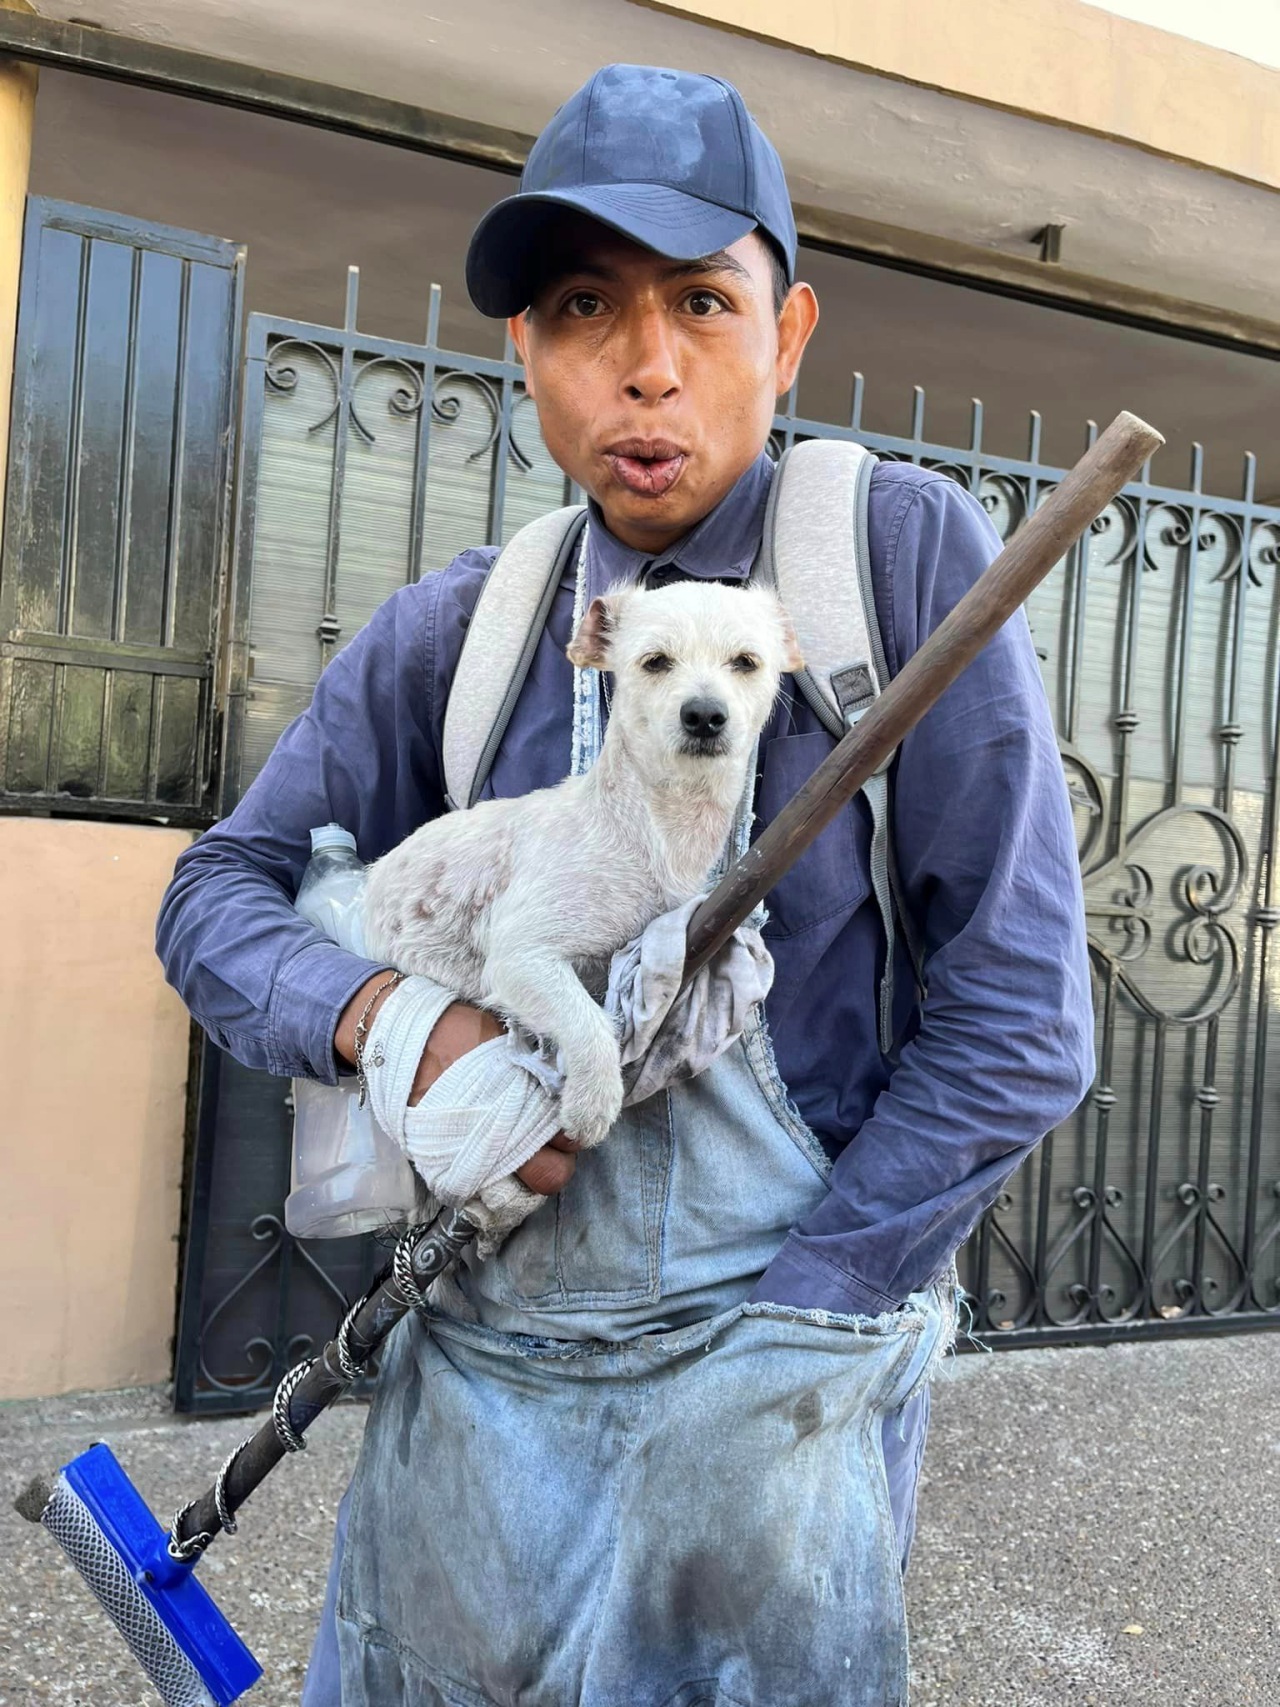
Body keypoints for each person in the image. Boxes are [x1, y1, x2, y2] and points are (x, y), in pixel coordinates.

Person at [157, 63, 1094, 1707]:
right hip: (480, 1379)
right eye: (587, 305)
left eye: (704, 304)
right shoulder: (461, 635)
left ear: (788, 334)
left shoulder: (890, 571)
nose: (648, 364)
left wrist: (807, 1324)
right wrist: (396, 1026)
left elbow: (1020, 1017)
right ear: (524, 354)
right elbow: (217, 899)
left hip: (772, 1364)